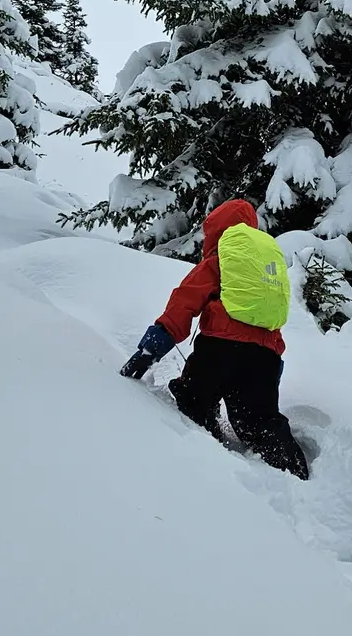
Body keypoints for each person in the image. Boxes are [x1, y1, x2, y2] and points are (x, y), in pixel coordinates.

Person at [120, 198, 311, 479]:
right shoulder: (266, 266)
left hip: (219, 350)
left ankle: (205, 453)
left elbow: (184, 303)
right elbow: (271, 320)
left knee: (194, 397)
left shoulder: (219, 259)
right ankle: (294, 469)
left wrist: (152, 347)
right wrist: (273, 369)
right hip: (265, 358)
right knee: (259, 419)